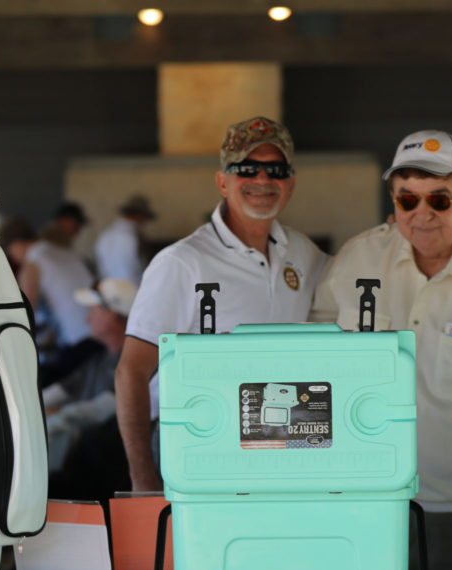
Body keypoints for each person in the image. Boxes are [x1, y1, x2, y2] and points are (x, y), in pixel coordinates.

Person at [311, 130, 452, 570]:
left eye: (439, 200)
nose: (422, 215)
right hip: (381, 498)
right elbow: (316, 367)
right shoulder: (356, 261)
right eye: (407, 200)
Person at [116, 116, 328, 491]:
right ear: (222, 181)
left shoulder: (305, 253)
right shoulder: (182, 262)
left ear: (291, 182)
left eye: (275, 169)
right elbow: (131, 373)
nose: (262, 180)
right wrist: (143, 481)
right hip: (197, 442)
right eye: (246, 168)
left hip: (281, 437)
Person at [44, 278, 137, 474]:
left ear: (111, 315)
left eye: (93, 311)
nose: (87, 319)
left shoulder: (134, 364)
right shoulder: (100, 358)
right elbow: (62, 389)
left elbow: (103, 408)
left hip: (99, 468)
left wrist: (56, 417)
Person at [18, 204, 94, 347]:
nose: (78, 231)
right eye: (77, 225)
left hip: (81, 338)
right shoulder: (46, 254)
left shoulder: (64, 253)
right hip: (88, 334)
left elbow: (26, 312)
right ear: (66, 222)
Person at [95, 195, 157, 284]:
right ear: (139, 215)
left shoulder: (105, 235)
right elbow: (139, 268)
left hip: (109, 289)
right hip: (133, 289)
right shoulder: (133, 238)